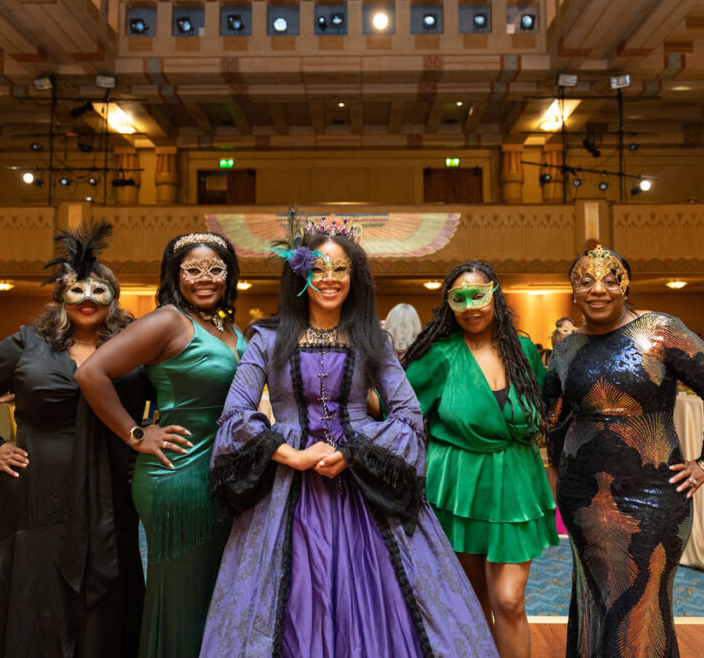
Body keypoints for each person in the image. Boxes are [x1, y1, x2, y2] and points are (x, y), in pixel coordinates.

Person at [201, 218, 497, 657]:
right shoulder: (265, 338)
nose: (329, 279)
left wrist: (355, 451)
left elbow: (409, 416)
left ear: (354, 277)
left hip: (363, 487)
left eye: (340, 269)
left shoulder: (372, 338)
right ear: (300, 273)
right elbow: (234, 417)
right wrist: (294, 456)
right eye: (318, 268)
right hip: (287, 487)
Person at [0, 222, 143, 657]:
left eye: (99, 291)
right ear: (60, 295)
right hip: (35, 490)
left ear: (114, 295)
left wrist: (145, 440)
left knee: (108, 584)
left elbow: (172, 394)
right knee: (38, 587)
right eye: (77, 290)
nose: (87, 300)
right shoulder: (28, 344)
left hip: (111, 487)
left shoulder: (135, 344)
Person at [543, 246, 704, 657]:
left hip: (653, 494)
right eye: (586, 281)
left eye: (610, 280)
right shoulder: (565, 349)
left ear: (625, 285)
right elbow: (552, 419)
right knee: (594, 600)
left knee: (639, 605)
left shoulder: (660, 330)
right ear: (573, 290)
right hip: (583, 497)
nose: (598, 290)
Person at [74, 231, 244, 658]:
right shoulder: (168, 320)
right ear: (175, 275)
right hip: (178, 471)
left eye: (215, 270)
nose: (204, 279)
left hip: (221, 472)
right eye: (192, 270)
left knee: (211, 587)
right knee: (181, 591)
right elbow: (90, 374)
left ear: (229, 276)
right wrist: (136, 434)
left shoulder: (225, 325)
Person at [403, 261, 558, 658]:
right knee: (471, 605)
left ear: (495, 294)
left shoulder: (522, 349)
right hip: (460, 486)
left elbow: (547, 410)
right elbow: (395, 405)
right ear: (448, 304)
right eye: (460, 298)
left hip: (516, 483)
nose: (471, 306)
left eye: (478, 295)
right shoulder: (438, 356)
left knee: (508, 600)